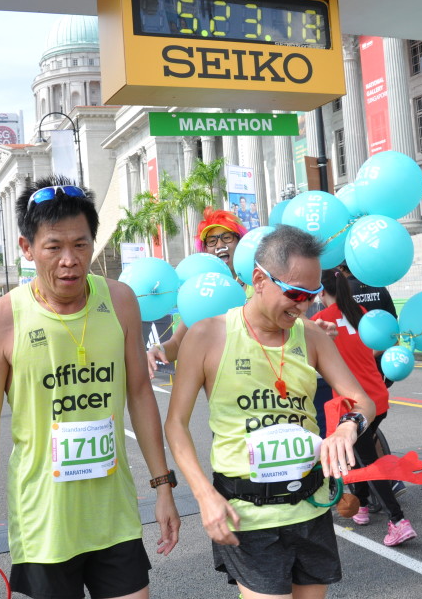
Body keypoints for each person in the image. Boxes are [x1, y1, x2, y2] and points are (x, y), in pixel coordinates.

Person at [0, 176, 179, 599]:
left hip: (113, 516)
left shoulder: (119, 300)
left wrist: (163, 486)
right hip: (44, 524)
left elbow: (138, 393)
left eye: (81, 245)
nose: (69, 260)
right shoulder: (1, 320)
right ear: (27, 248)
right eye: (54, 246)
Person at [165, 225, 375, 599]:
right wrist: (204, 496)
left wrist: (347, 427)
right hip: (249, 515)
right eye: (294, 294)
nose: (303, 306)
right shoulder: (208, 336)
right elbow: (176, 425)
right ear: (259, 279)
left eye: (311, 296)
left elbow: (363, 402)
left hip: (310, 509)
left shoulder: (310, 335)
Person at [312, 269, 416, 546]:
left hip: (354, 403)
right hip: (377, 396)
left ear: (320, 293)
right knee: (360, 450)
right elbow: (378, 347)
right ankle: (362, 506)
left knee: (368, 460)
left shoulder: (319, 321)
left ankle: (398, 520)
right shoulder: (359, 312)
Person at [145, 208, 248, 376]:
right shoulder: (202, 289)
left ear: (240, 242)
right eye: (212, 241)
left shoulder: (259, 283)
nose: (220, 245)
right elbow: (178, 343)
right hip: (221, 383)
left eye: (227, 238)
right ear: (205, 250)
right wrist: (157, 349)